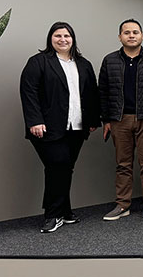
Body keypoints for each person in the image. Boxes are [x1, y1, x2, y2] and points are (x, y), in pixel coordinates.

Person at [20, 22, 100, 233]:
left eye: (67, 36)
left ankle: (64, 211)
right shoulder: (38, 62)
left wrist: (93, 120)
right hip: (47, 127)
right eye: (58, 36)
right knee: (58, 166)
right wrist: (34, 121)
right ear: (50, 38)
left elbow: (91, 93)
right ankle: (52, 215)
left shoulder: (83, 64)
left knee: (65, 168)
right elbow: (28, 92)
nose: (63, 39)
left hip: (77, 126)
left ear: (73, 39)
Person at [98, 19, 143, 222]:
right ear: (120, 37)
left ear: (142, 36)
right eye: (127, 33)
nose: (131, 35)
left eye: (135, 32)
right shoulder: (110, 60)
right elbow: (103, 92)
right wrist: (106, 119)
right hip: (120, 119)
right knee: (123, 164)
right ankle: (122, 204)